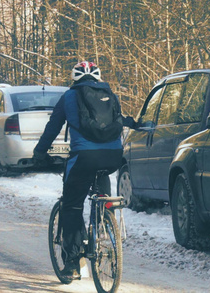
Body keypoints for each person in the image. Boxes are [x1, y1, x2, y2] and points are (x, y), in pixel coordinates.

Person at [33, 61, 137, 281]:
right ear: (97, 79)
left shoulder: (68, 97)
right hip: (112, 157)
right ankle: (103, 221)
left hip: (83, 158)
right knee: (102, 193)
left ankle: (72, 264)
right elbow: (119, 121)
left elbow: (53, 127)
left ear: (75, 79)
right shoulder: (111, 95)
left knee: (71, 205)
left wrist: (40, 152)